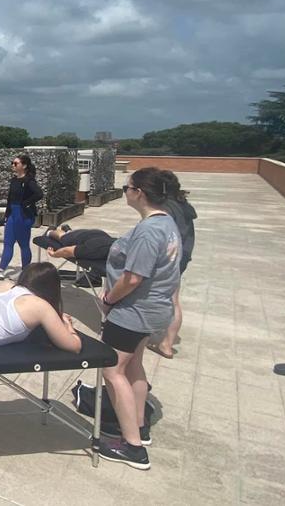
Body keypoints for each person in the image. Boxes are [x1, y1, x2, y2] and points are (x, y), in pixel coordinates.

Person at [95, 167, 184, 470]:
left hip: (135, 311)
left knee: (111, 370)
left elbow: (133, 278)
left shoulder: (149, 230)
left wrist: (108, 299)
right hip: (151, 310)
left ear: (139, 193)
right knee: (133, 365)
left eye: (127, 187)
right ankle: (140, 427)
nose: (125, 192)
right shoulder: (166, 222)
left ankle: (132, 447)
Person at [149, 191, 198, 359]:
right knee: (174, 300)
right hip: (181, 256)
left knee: (169, 300)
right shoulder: (182, 205)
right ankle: (167, 343)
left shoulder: (166, 209)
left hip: (170, 259)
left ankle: (165, 344)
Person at [0, 154, 44, 280]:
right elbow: (10, 199)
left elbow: (39, 194)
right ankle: (1, 269)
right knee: (8, 242)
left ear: (24, 166)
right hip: (13, 214)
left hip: (23, 216)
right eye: (12, 163)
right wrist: (7, 214)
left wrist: (26, 204)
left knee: (23, 244)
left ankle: (25, 272)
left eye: (16, 163)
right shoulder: (14, 180)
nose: (13, 165)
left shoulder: (28, 181)